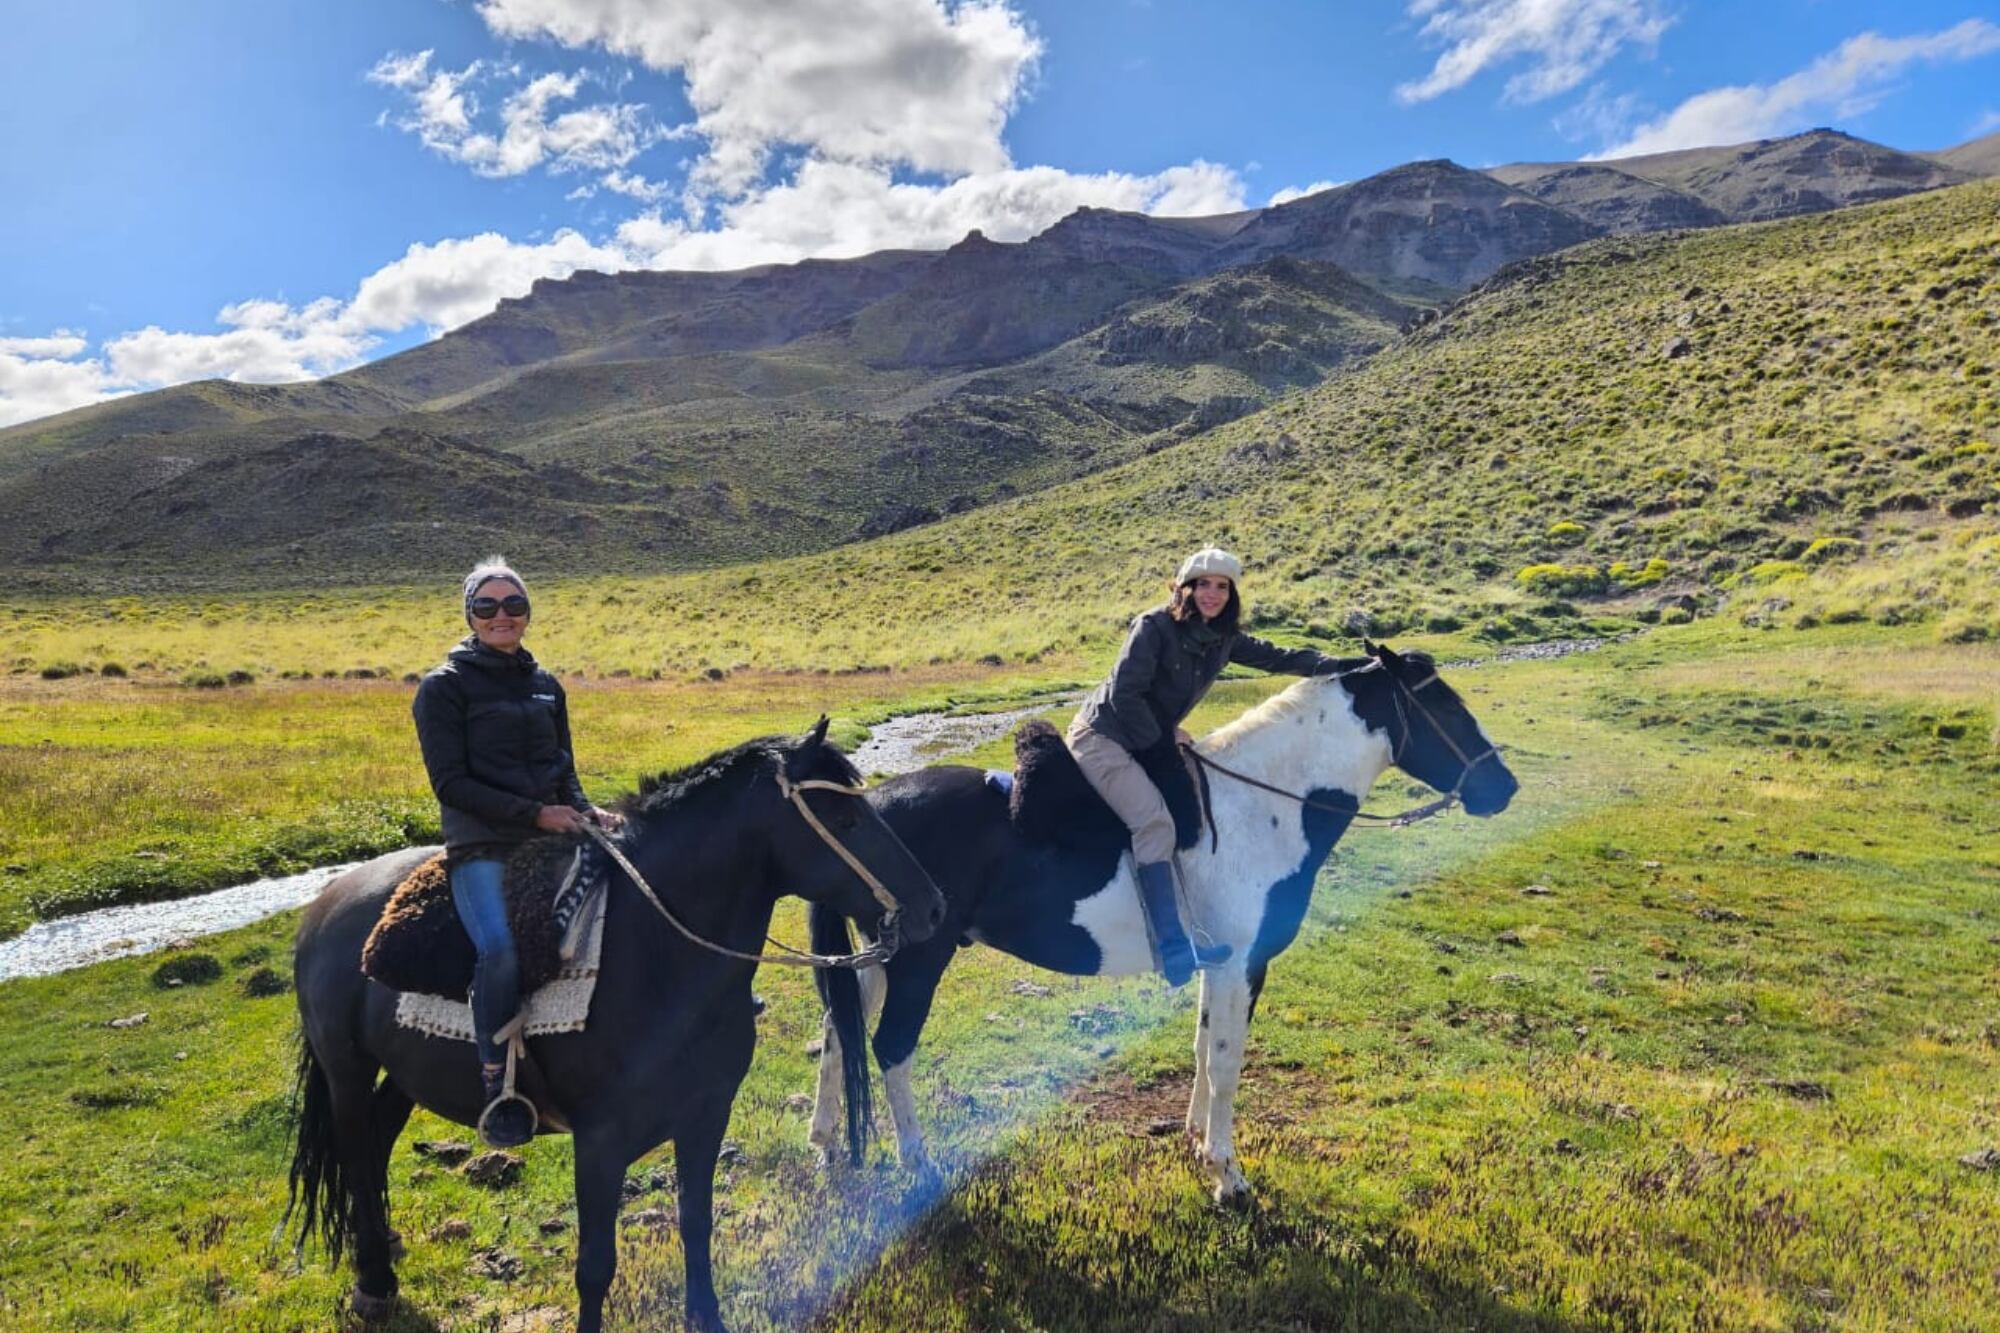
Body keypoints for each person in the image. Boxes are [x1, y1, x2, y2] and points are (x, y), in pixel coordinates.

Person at [412, 558, 621, 1146]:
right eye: (487, 606)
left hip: (553, 833)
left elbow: (565, 771)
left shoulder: (545, 684)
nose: (501, 616)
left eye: (513, 605)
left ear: (527, 613)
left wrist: (586, 810)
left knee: (638, 889)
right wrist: (535, 814)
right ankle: (497, 1087)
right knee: (500, 949)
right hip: (483, 843)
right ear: (470, 615)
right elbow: (450, 784)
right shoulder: (443, 688)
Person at [1067, 547, 1345, 986]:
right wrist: (1164, 736)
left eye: (1222, 586)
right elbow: (1125, 697)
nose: (1211, 594)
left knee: (1202, 808)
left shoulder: (1222, 636)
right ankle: (1172, 948)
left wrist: (1334, 666)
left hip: (1151, 736)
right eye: (1203, 584)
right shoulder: (1153, 627)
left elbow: (1275, 656)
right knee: (1155, 823)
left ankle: (1199, 917)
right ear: (1185, 587)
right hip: (1104, 738)